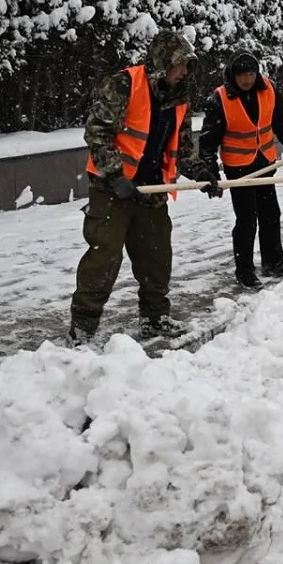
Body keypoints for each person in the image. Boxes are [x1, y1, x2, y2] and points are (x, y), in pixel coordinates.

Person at [67, 30, 223, 348]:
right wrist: (115, 176)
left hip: (152, 190)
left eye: (187, 67)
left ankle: (154, 319)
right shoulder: (125, 84)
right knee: (104, 256)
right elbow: (97, 132)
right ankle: (82, 327)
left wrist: (203, 173)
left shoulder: (180, 98)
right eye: (180, 65)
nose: (183, 73)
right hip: (113, 190)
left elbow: (182, 147)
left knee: (156, 257)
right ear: (163, 62)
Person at [199, 49, 283, 288]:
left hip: (265, 162)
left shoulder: (268, 89)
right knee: (247, 220)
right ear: (232, 75)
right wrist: (211, 175)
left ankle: (273, 262)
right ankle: (244, 270)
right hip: (239, 169)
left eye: (251, 74)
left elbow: (282, 123)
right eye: (242, 75)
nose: (247, 79)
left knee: (271, 214)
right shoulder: (219, 100)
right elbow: (207, 143)